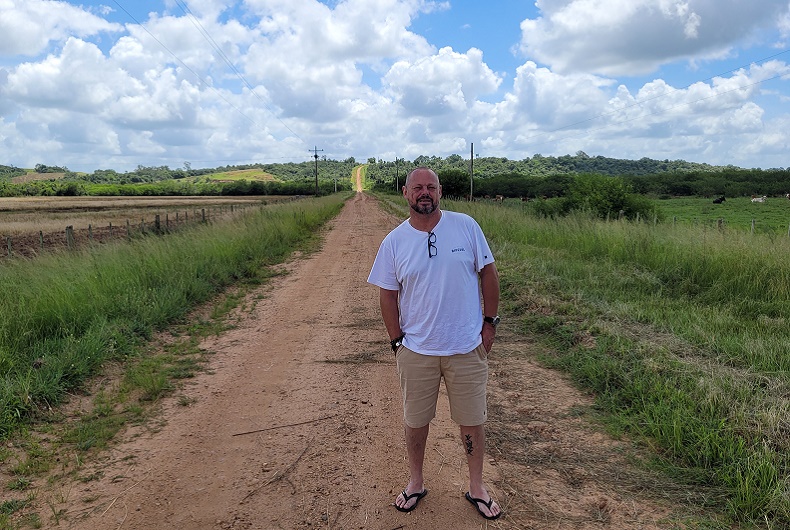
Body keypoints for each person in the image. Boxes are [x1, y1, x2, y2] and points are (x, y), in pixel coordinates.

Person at [367, 167, 503, 521]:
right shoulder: (394, 241)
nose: (424, 192)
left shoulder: (466, 226)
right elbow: (387, 293)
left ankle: (477, 486)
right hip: (417, 350)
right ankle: (415, 482)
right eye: (417, 187)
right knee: (416, 420)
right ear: (405, 193)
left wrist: (489, 324)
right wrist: (397, 340)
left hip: (466, 346)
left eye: (431, 187)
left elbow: (488, 273)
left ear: (440, 192)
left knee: (472, 420)